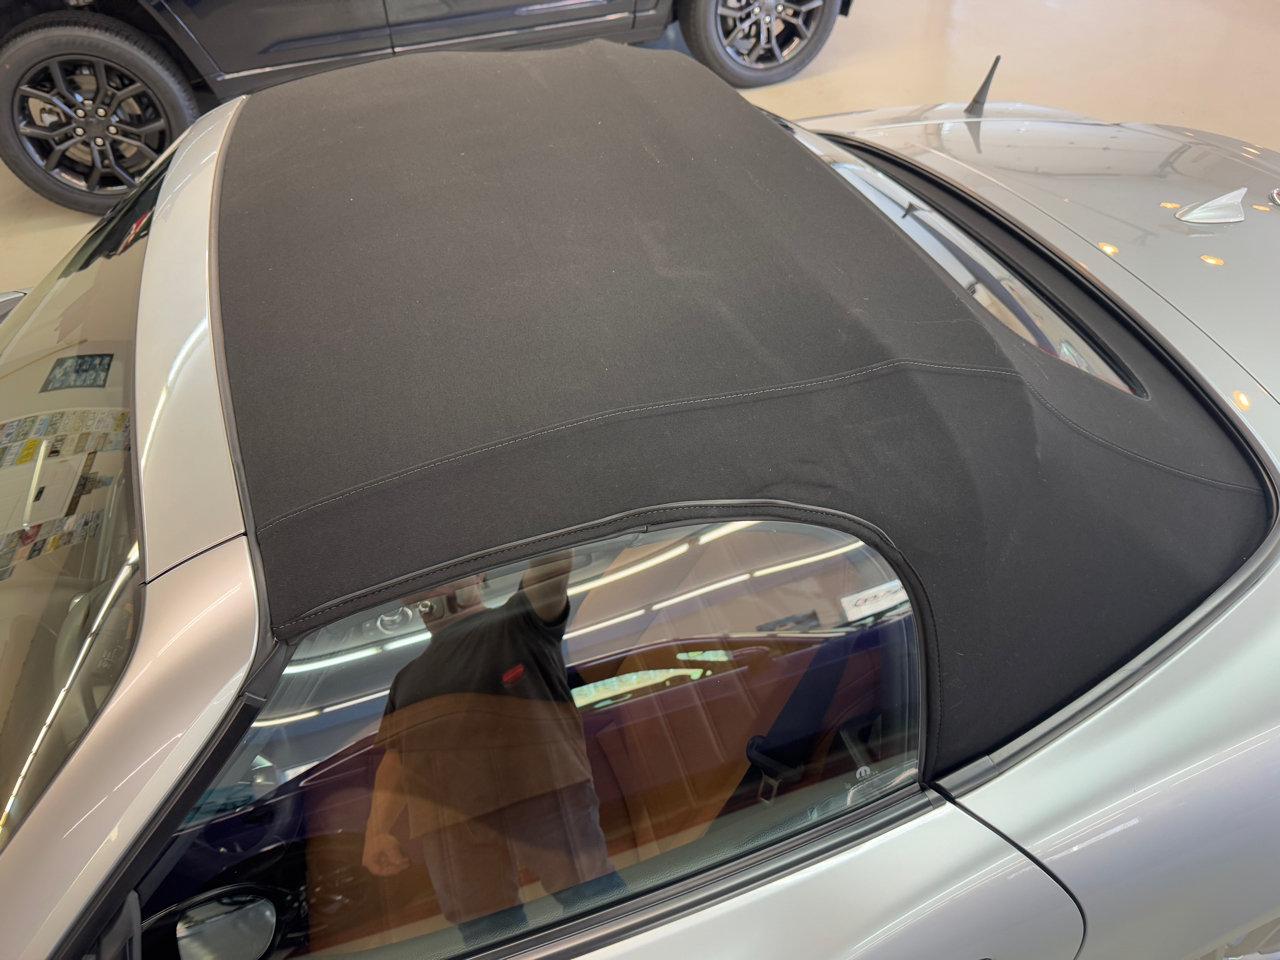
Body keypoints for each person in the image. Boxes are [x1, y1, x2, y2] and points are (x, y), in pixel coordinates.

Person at [361, 551, 622, 945]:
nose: (436, 584)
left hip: (541, 797)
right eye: (424, 579)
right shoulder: (407, 680)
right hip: (451, 827)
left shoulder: (519, 623)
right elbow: (397, 759)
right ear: (409, 599)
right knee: (489, 937)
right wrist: (376, 831)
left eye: (449, 569)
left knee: (594, 904)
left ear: (479, 573)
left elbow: (553, 563)